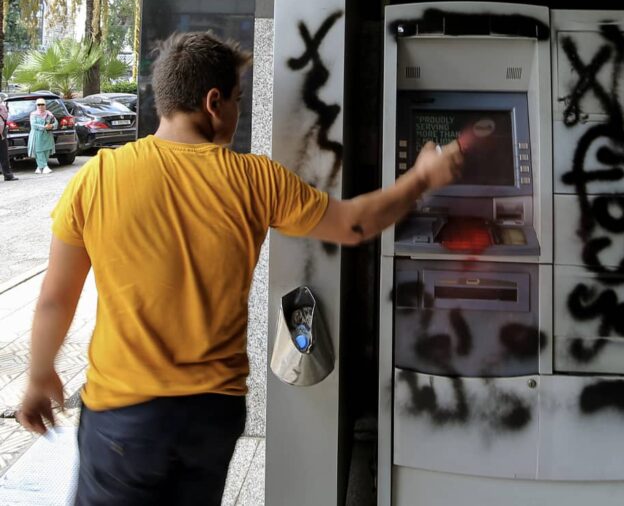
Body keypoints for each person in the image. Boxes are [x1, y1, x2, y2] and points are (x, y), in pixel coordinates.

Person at [16, 32, 463, 505]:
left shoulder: (97, 178)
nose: (238, 110)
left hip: (124, 417)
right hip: (212, 414)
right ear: (213, 102)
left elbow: (54, 297)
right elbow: (354, 225)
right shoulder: (254, 179)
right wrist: (421, 179)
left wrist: (41, 373)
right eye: (238, 98)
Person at [27, 98, 56, 174]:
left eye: (42, 104)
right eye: (38, 104)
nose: (40, 106)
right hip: (37, 135)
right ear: (36, 105)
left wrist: (52, 126)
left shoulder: (49, 113)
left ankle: (40, 168)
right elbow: (33, 125)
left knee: (46, 150)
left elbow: (55, 123)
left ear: (45, 105)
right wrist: (44, 127)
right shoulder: (33, 114)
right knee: (39, 151)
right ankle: (45, 167)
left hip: (47, 135)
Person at [0, 98, 18, 181]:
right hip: (2, 133)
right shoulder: (3, 106)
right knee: (4, 155)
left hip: (2, 133)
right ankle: (8, 175)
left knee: (4, 155)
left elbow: (5, 117)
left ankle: (8, 175)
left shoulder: (2, 106)